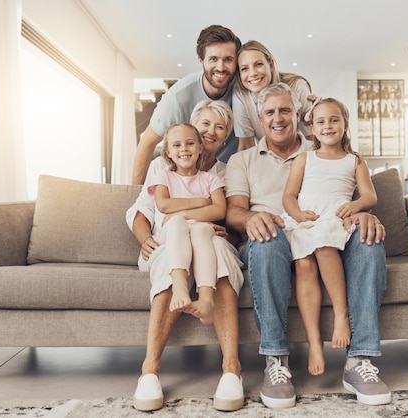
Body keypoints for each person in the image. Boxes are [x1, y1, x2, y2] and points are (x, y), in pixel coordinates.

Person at [225, 83, 391, 409]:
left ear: (298, 116)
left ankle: (360, 360)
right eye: (270, 112)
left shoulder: (324, 154)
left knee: (369, 240)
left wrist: (364, 213)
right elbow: (232, 211)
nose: (277, 118)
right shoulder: (242, 160)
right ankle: (276, 361)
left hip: (330, 227)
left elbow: (361, 195)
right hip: (278, 233)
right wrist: (252, 218)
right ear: (260, 118)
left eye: (284, 110)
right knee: (266, 237)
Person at [127, 100, 244, 412]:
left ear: (225, 137)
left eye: (220, 127)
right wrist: (145, 238)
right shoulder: (161, 169)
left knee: (219, 249)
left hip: (208, 240)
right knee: (168, 255)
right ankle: (149, 370)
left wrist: (227, 232)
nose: (211, 131)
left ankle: (231, 369)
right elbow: (145, 211)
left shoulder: (223, 171)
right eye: (205, 124)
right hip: (169, 239)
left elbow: (229, 218)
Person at [281, 98, 378, 376]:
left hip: (333, 220)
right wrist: (297, 214)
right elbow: (288, 195)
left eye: (334, 120)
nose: (328, 126)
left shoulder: (355, 161)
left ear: (345, 124)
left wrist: (356, 206)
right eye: (321, 121)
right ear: (312, 127)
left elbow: (370, 195)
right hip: (305, 220)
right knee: (303, 265)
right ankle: (314, 342)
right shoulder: (305, 158)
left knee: (324, 245)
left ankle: (340, 314)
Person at [132, 25, 241, 185]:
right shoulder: (178, 98)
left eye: (228, 60)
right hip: (183, 173)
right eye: (213, 59)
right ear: (201, 61)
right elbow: (147, 143)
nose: (221, 67)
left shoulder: (245, 87)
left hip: (223, 174)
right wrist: (135, 196)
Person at [147, 123, 226, 325]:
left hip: (199, 231)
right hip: (172, 232)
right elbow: (164, 204)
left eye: (190, 143)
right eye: (177, 145)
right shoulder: (164, 177)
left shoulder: (210, 179)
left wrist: (180, 212)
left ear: (200, 148)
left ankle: (206, 301)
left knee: (201, 229)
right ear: (168, 151)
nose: (184, 149)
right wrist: (200, 202)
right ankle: (180, 287)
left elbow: (219, 210)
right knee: (176, 224)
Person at [232, 40, 314, 151]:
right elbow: (246, 146)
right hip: (268, 156)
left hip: (299, 153)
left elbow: (312, 137)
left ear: (270, 65)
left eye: (259, 64)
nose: (253, 73)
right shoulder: (240, 94)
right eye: (244, 68)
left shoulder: (297, 86)